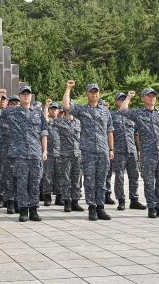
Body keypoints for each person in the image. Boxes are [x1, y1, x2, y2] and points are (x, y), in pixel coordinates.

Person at [62, 81, 114, 221]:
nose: (94, 93)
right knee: (90, 180)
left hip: (103, 150)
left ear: (99, 93)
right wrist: (68, 88)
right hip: (88, 151)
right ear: (87, 94)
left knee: (102, 180)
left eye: (96, 91)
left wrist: (111, 148)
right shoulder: (82, 110)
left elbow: (109, 131)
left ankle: (100, 208)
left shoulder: (105, 111)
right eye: (91, 91)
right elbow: (66, 106)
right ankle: (92, 208)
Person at [118, 88, 159, 218]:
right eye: (148, 96)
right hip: (148, 155)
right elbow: (122, 111)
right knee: (149, 182)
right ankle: (152, 207)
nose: (151, 97)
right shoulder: (138, 113)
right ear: (143, 98)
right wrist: (128, 97)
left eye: (153, 96)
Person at [0, 85, 47, 222]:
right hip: (19, 154)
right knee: (22, 183)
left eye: (28, 94)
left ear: (31, 96)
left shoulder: (37, 113)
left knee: (35, 183)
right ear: (19, 96)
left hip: (35, 153)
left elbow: (43, 133)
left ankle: (34, 210)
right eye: (23, 94)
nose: (26, 96)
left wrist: (45, 150)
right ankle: (23, 210)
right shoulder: (11, 112)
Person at [111, 92, 146, 211]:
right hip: (118, 150)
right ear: (116, 102)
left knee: (134, 175)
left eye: (124, 99)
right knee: (119, 177)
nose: (122, 101)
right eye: (120, 99)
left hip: (132, 150)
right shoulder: (111, 116)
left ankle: (134, 200)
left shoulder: (132, 116)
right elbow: (109, 134)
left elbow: (136, 134)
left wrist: (139, 149)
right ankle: (121, 200)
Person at [53, 106, 84, 212]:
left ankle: (75, 202)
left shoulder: (79, 122)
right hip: (65, 155)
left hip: (77, 154)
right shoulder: (59, 122)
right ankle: (67, 202)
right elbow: (47, 121)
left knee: (76, 180)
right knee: (65, 180)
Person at [42, 100, 61, 207]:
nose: (53, 111)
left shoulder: (61, 121)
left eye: (55, 109)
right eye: (52, 109)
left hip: (59, 153)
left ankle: (59, 197)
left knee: (59, 176)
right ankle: (47, 196)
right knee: (47, 176)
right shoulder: (46, 121)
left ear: (58, 110)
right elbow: (44, 118)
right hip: (48, 153)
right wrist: (46, 105)